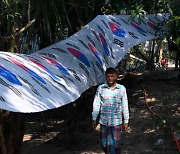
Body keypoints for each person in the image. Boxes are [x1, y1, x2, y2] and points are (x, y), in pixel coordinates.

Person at [92, 67, 129, 154]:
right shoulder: (101, 88)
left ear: (116, 76)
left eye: (112, 76)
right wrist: (94, 118)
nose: (110, 78)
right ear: (106, 77)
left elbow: (125, 105)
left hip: (116, 122)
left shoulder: (121, 89)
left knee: (115, 145)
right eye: (108, 76)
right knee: (104, 144)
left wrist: (126, 120)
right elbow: (96, 104)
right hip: (104, 122)